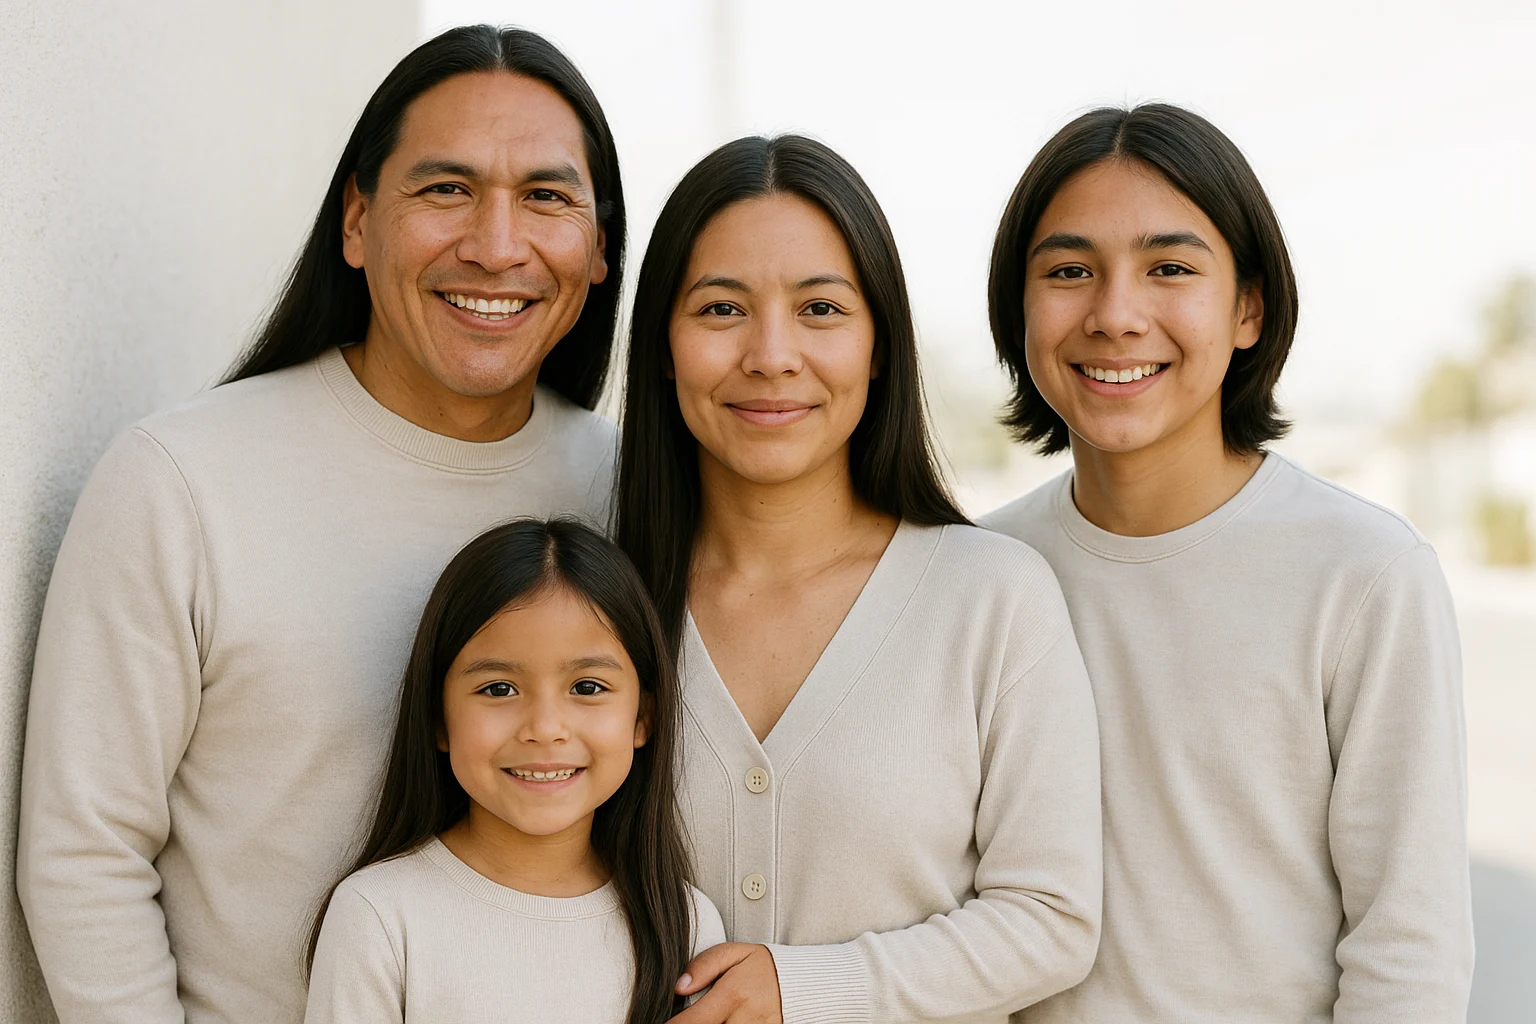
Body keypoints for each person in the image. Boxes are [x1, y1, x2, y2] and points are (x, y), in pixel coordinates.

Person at [17, 25, 625, 1024]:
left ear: (599, 247)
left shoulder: (625, 490)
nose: (498, 243)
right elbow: (84, 851)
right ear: (355, 220)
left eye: (547, 198)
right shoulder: (183, 481)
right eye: (445, 189)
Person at [981, 103, 1474, 1022]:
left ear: (1248, 306)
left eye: (1169, 268)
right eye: (1069, 271)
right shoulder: (979, 574)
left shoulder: (1365, 576)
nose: (1116, 315)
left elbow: (1409, 955)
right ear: (1019, 307)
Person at [615, 134, 1103, 1024]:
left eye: (821, 310)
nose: (770, 354)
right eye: (721, 310)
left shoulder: (990, 598)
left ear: (879, 345)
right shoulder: (596, 608)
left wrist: (801, 989)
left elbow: (1052, 919)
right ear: (662, 345)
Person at [304, 518, 725, 1024]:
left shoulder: (684, 923)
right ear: (438, 720)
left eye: (587, 688)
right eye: (499, 689)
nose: (545, 729)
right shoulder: (379, 915)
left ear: (643, 717)